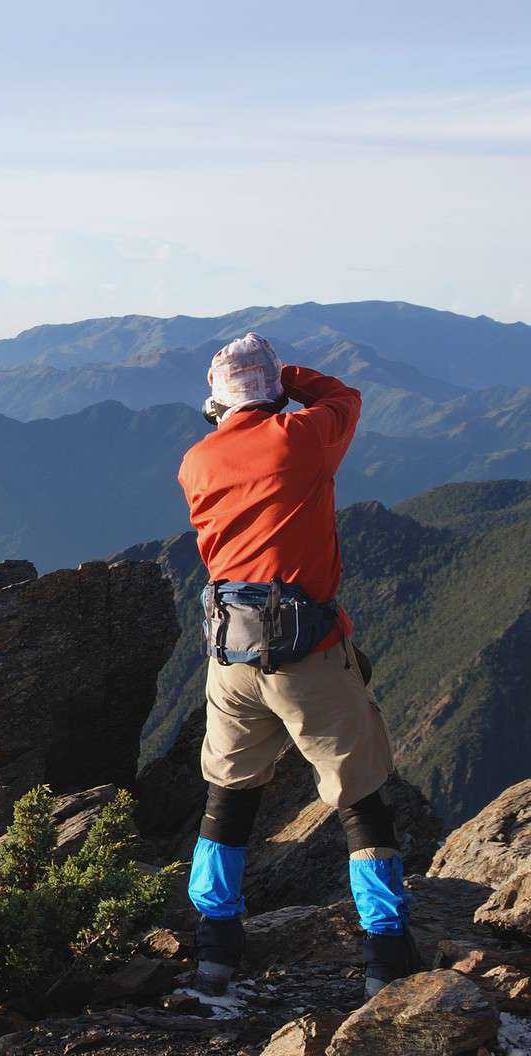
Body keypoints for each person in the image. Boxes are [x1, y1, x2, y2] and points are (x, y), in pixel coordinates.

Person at [176, 332, 420, 1000]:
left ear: (217, 402)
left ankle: (215, 944)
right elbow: (345, 396)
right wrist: (289, 379)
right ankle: (386, 951)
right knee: (359, 796)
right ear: (275, 390)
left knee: (228, 795)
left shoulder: (196, 463)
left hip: (229, 656)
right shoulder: (302, 438)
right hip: (308, 655)